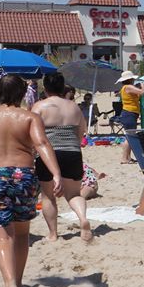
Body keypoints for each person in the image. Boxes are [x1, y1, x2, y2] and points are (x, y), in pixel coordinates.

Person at [0, 73, 66, 287]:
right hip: (23, 175)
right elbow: (42, 144)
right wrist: (55, 173)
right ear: (23, 93)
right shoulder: (30, 117)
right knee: (22, 233)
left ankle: (10, 283)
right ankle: (20, 281)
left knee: (2, 234)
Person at [32, 75, 94, 243]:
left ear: (45, 88)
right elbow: (81, 132)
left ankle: (53, 234)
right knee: (73, 194)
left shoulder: (39, 106)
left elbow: (33, 133)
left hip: (48, 155)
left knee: (48, 196)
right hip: (72, 152)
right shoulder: (74, 107)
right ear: (63, 88)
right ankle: (82, 218)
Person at [115, 72, 144, 162]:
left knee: (129, 136)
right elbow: (141, 92)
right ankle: (124, 158)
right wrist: (142, 85)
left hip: (129, 113)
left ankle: (128, 157)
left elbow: (136, 96)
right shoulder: (128, 87)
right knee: (130, 137)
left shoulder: (125, 88)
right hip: (129, 113)